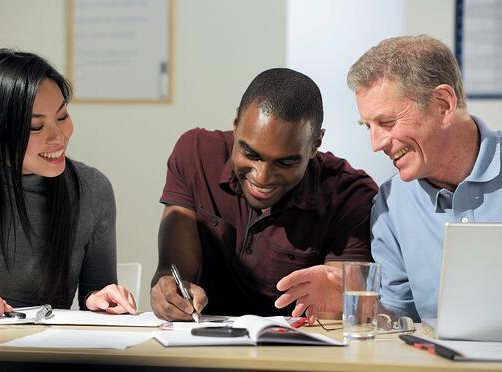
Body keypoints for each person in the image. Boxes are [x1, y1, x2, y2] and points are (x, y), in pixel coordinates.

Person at [150, 68, 378, 321]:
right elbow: (173, 274)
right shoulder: (196, 155)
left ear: (315, 143)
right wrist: (167, 292)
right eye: (250, 155)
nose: (262, 177)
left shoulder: (350, 195)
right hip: (200, 345)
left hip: (296, 354)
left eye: (285, 163)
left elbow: (337, 316)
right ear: (236, 123)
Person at [0, 49, 136, 317]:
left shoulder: (92, 188)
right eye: (36, 126)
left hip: (49, 352)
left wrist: (101, 298)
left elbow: (95, 291)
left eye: (62, 117)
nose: (58, 137)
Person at [347, 35, 502, 321]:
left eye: (387, 122)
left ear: (443, 105)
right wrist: (355, 307)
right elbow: (399, 320)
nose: (376, 143)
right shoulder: (391, 204)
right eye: (367, 126)